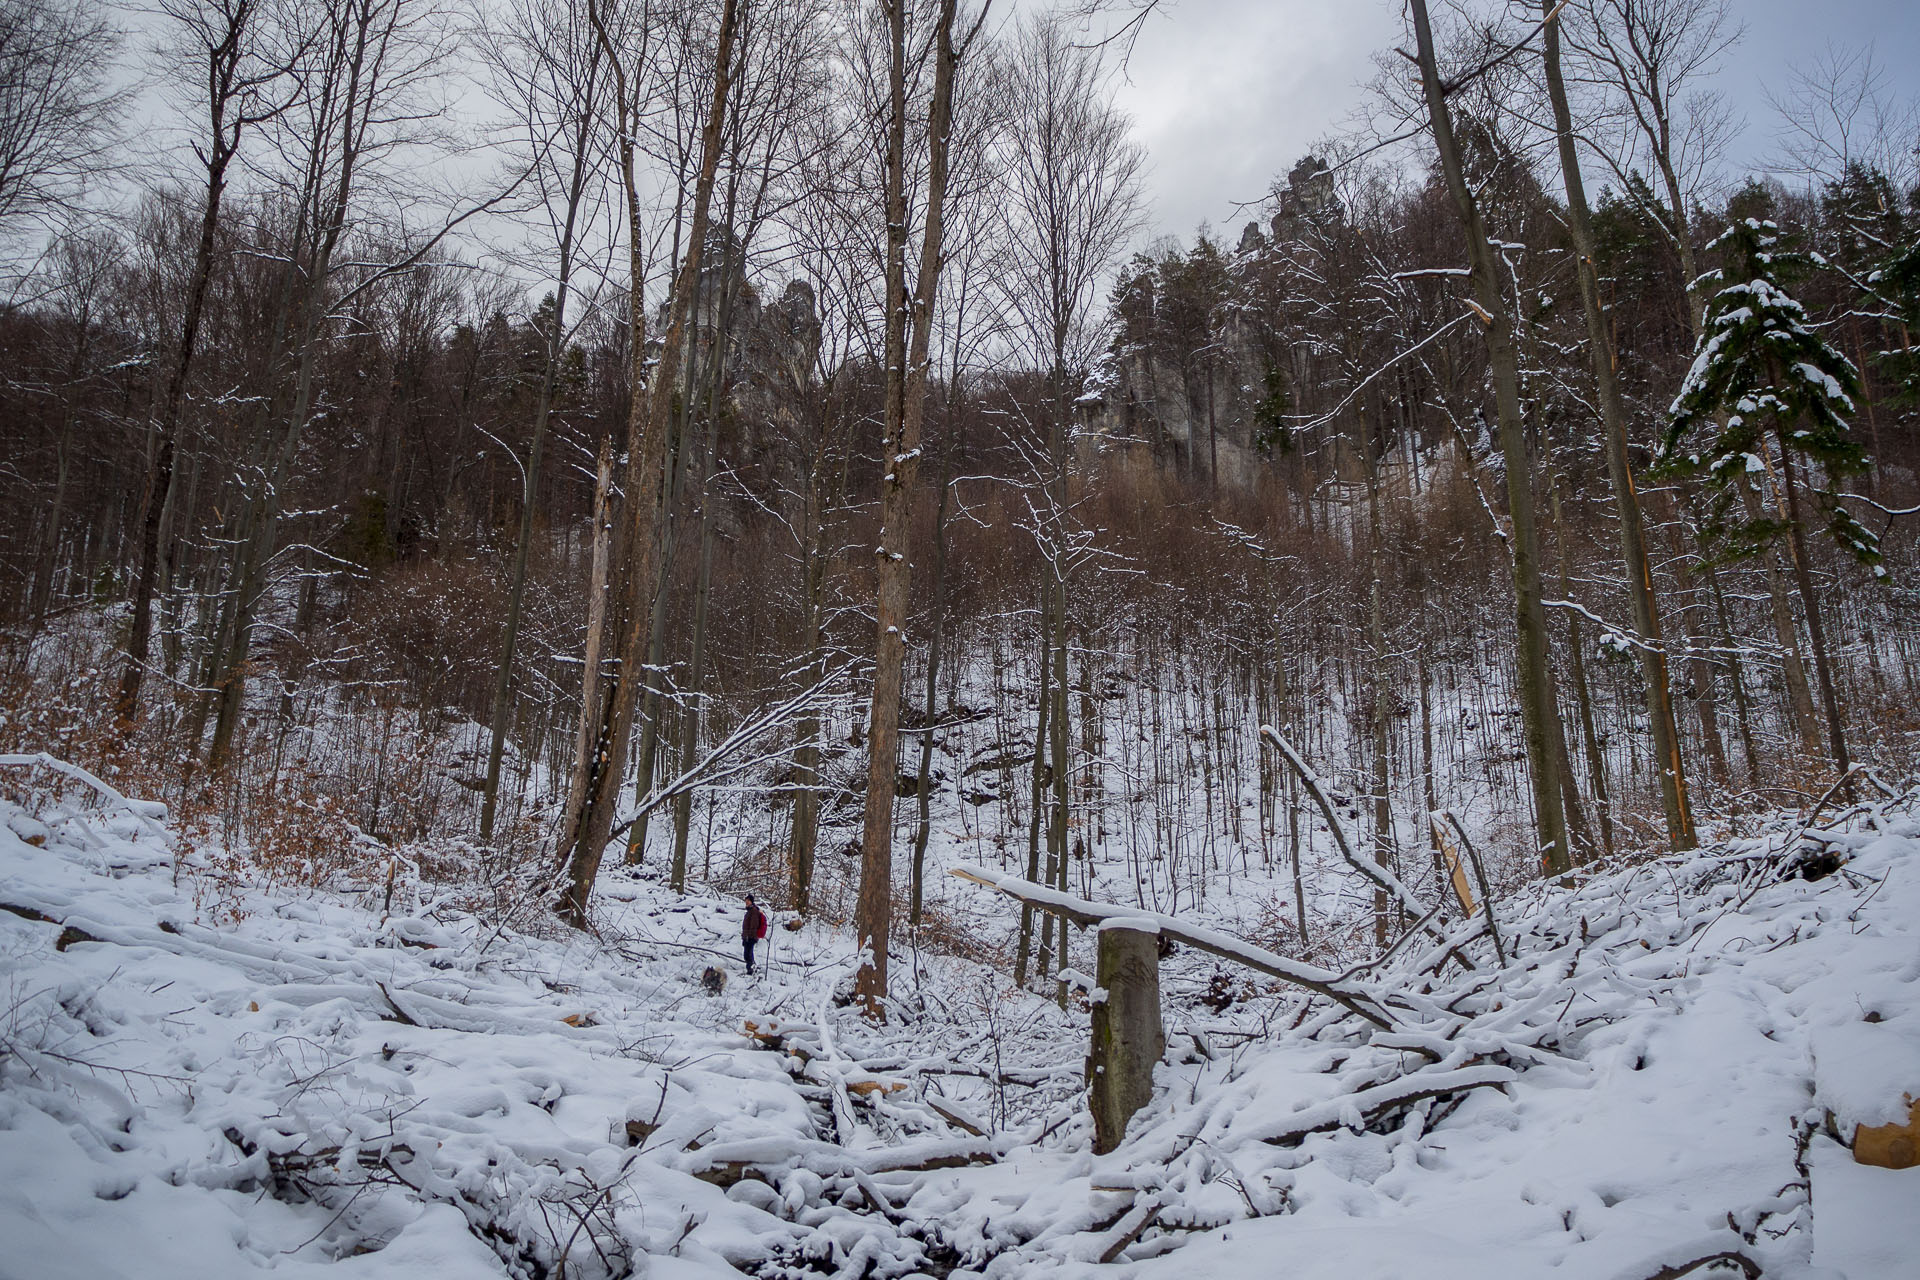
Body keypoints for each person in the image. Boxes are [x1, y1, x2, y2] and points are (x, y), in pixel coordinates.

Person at [742, 894, 767, 973]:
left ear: (751, 902)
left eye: (748, 901)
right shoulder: (750, 911)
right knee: (748, 953)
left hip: (751, 937)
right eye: (746, 901)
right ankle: (751, 968)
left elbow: (754, 925)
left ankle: (750, 970)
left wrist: (750, 936)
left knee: (748, 954)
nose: (746, 902)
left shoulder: (753, 911)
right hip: (748, 936)